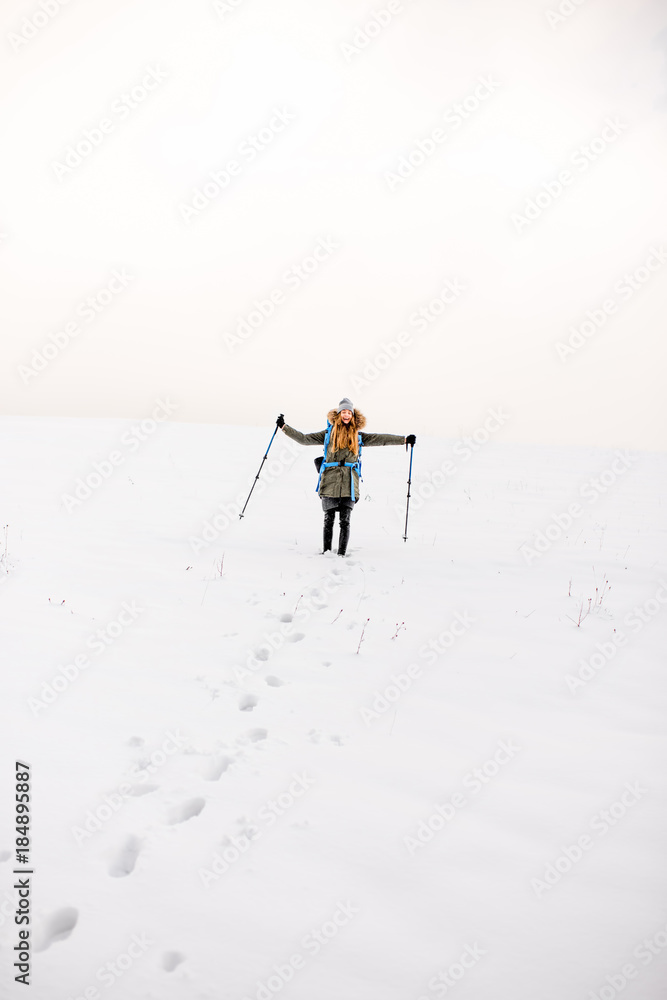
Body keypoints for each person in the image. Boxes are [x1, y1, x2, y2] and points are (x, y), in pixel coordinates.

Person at [277, 398, 416, 556]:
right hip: (330, 480)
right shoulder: (327, 434)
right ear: (338, 414)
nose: (346, 415)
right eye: (343, 412)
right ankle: (327, 552)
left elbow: (381, 439)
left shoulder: (358, 436)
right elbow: (304, 439)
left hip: (349, 482)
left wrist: (404, 440)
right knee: (328, 519)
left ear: (352, 415)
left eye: (349, 412)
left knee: (345, 520)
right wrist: (284, 427)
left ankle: (341, 554)